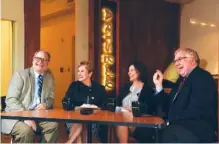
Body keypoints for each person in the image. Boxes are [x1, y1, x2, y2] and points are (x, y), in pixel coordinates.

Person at [153, 48, 218, 143]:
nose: (176, 63)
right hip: (179, 126)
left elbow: (197, 110)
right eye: (175, 61)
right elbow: (167, 107)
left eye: (179, 59)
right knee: (152, 131)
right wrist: (159, 85)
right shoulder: (180, 81)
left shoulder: (203, 77)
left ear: (192, 60)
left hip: (197, 129)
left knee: (169, 134)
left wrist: (171, 121)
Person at [1, 50, 59, 143]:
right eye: (38, 58)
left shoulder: (49, 78)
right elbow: (11, 100)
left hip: (38, 116)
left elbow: (51, 99)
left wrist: (45, 104)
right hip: (17, 115)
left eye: (44, 60)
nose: (40, 62)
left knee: (53, 125)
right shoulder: (20, 75)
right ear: (33, 60)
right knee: (26, 130)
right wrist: (26, 117)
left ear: (48, 63)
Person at [62, 61, 108, 143]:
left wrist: (97, 109)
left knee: (83, 123)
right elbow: (65, 102)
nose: (79, 73)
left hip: (94, 120)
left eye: (82, 71)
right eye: (78, 71)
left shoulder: (99, 88)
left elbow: (106, 105)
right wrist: (77, 108)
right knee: (79, 121)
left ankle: (69, 142)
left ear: (90, 74)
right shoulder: (73, 86)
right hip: (74, 118)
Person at [116, 61, 159, 143]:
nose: (129, 73)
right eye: (129, 71)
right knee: (121, 123)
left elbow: (149, 109)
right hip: (121, 119)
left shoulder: (147, 90)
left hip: (138, 122)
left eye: (131, 70)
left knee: (122, 123)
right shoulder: (125, 87)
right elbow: (116, 104)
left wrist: (132, 111)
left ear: (139, 71)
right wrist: (122, 109)